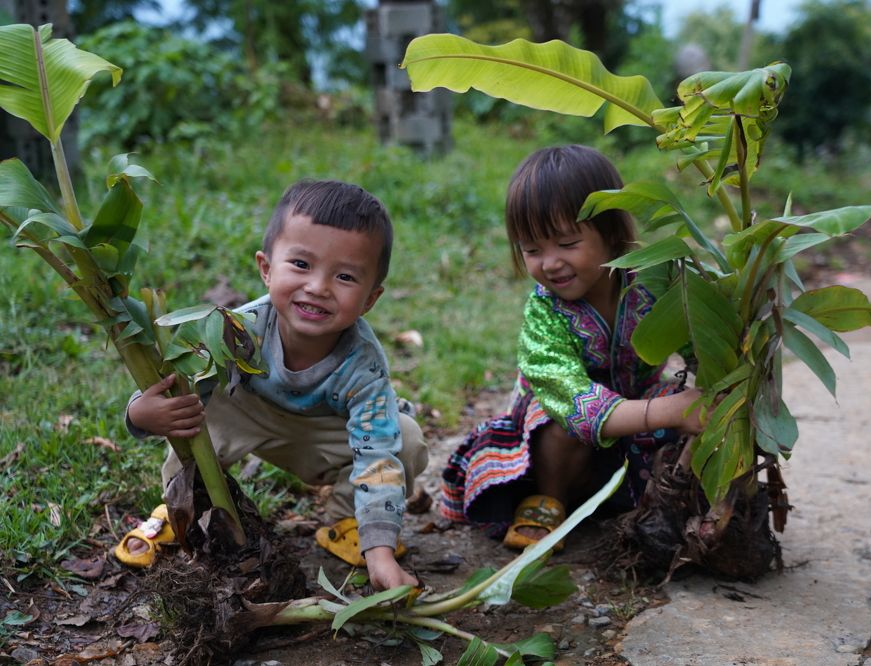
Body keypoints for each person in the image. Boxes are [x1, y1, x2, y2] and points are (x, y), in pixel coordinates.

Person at [115, 179, 428, 591]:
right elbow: (178, 382)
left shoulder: (364, 365)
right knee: (193, 409)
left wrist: (380, 552)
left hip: (322, 432)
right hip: (243, 414)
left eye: (345, 276)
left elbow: (377, 456)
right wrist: (140, 412)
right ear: (266, 269)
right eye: (301, 264)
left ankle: (348, 521)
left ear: (371, 298)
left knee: (404, 437)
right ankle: (181, 511)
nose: (318, 287)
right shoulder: (237, 328)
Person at [440, 145, 705, 550]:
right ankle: (549, 502)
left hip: (635, 431)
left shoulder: (652, 285)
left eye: (567, 243)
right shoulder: (544, 313)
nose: (549, 263)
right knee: (553, 418)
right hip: (562, 454)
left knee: (690, 401)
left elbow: (697, 346)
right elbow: (574, 402)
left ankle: (660, 500)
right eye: (532, 250)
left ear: (612, 235)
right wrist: (668, 411)